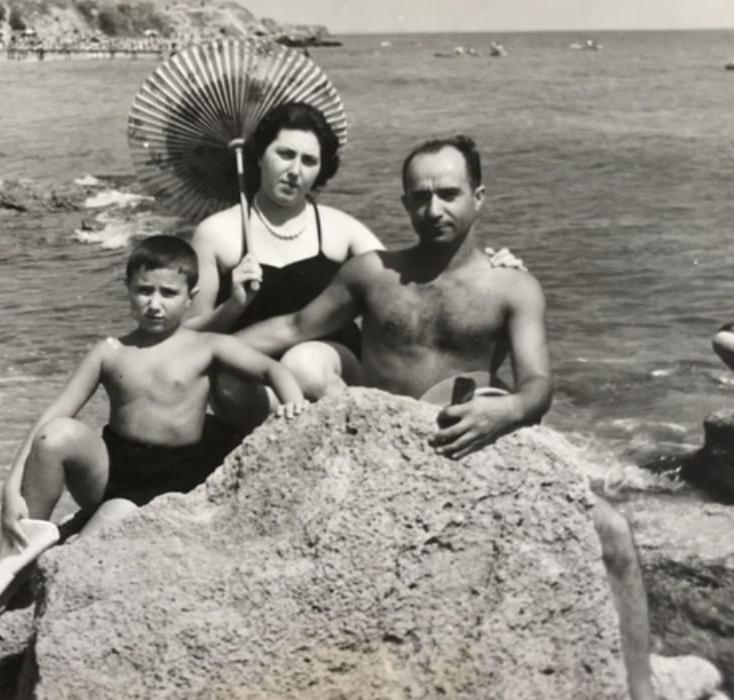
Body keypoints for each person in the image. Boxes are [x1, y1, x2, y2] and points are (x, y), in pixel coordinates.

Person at [235, 136, 656, 699]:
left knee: (615, 533)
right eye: (419, 197)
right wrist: (199, 346)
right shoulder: (373, 274)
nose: (433, 209)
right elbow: (292, 328)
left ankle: (642, 689)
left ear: (478, 197)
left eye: (449, 194)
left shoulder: (512, 287)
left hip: (475, 441)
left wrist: (510, 408)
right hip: (389, 452)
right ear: (405, 203)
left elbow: (538, 384)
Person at [188, 102, 520, 432]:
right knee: (228, 385)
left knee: (304, 363)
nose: (295, 171)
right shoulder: (216, 234)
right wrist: (234, 305)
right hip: (254, 371)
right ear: (260, 156)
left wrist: (487, 270)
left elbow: (410, 284)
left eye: (309, 161)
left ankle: (367, 433)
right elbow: (190, 338)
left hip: (329, 366)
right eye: (285, 154)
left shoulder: (340, 229)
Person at [0, 235, 307, 549]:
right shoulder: (110, 351)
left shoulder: (207, 346)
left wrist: (294, 404)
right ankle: (21, 541)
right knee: (54, 435)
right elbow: (55, 413)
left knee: (91, 547)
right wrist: (11, 488)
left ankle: (82, 536)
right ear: (128, 289)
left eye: (169, 293)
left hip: (172, 476)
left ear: (190, 297)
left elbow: (273, 370)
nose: (155, 304)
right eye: (144, 290)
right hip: (112, 469)